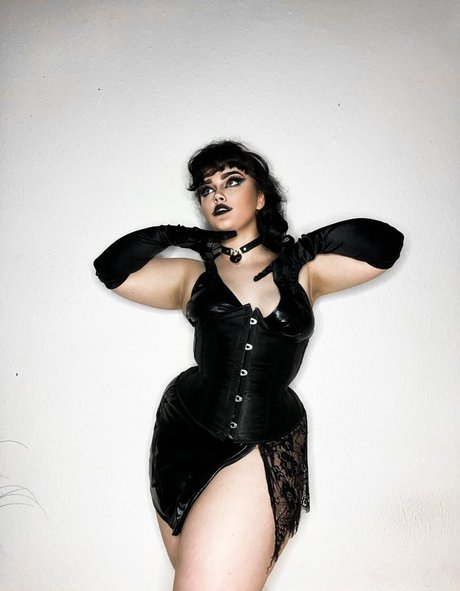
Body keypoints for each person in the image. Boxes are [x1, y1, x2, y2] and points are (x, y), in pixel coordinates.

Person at [93, 140, 404, 591]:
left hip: (260, 438)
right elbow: (111, 269)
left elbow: (385, 245)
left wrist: (304, 250)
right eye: (206, 189)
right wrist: (180, 236)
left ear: (260, 198)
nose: (217, 194)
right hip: (185, 434)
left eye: (232, 181)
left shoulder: (305, 273)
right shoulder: (192, 275)